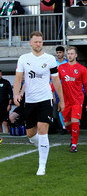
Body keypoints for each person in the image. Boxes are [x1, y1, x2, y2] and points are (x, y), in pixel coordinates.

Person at [13, 31, 65, 176]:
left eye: (40, 42)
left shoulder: (50, 59)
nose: (38, 44)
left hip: (45, 99)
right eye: (35, 42)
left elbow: (56, 80)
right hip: (30, 101)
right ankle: (43, 145)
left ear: (43, 43)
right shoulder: (23, 58)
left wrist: (61, 99)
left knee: (43, 131)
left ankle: (41, 167)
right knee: (31, 134)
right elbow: (18, 79)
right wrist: (16, 94)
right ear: (30, 43)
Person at [58, 46, 87, 153]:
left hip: (77, 99)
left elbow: (86, 85)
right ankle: (73, 136)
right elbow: (55, 83)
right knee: (66, 124)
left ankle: (74, 144)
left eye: (71, 53)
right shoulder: (61, 68)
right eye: (68, 53)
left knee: (75, 121)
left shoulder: (82, 69)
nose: (69, 55)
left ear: (76, 55)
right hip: (65, 100)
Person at [51, 46, 68, 134]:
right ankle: (64, 127)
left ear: (63, 53)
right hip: (58, 90)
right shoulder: (54, 64)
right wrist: (53, 93)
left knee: (68, 108)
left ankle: (71, 126)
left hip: (67, 89)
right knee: (60, 108)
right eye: (57, 52)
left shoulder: (67, 63)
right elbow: (52, 79)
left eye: (60, 52)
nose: (58, 54)